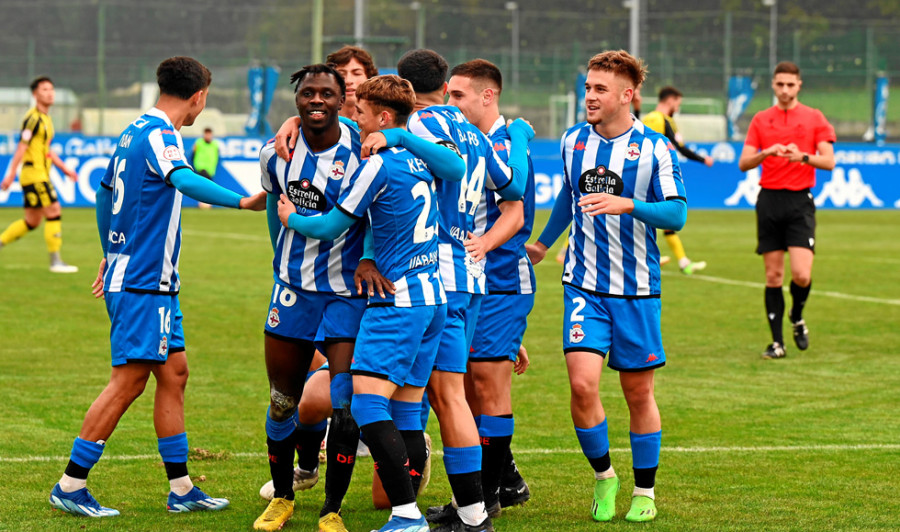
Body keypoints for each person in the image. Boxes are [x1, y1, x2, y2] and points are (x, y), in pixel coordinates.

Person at [48, 56, 266, 518]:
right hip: (145, 282)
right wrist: (242, 200)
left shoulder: (131, 131)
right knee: (128, 382)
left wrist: (110, 252)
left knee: (175, 373)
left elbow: (105, 192)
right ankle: (70, 484)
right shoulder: (161, 134)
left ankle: (182, 488)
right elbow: (183, 179)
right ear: (199, 96)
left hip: (151, 280)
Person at [255, 63, 465, 532]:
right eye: (308, 93)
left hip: (349, 293)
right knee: (284, 400)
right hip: (292, 289)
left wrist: (366, 254)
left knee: (348, 401)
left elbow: (366, 217)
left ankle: (331, 509)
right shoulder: (277, 150)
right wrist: (280, 257)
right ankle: (284, 496)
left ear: (346, 104)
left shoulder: (364, 145)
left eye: (330, 94)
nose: (318, 101)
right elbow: (274, 202)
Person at [526, 50, 686, 523]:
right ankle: (604, 477)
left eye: (599, 89)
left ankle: (645, 490)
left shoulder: (656, 148)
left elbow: (676, 214)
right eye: (588, 87)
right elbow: (568, 195)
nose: (589, 96)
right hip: (583, 286)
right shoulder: (573, 140)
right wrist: (542, 243)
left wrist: (628, 204)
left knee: (638, 394)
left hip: (637, 289)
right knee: (581, 384)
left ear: (626, 95)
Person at [391, 48, 533, 532]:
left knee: (417, 395)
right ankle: (476, 507)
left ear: (406, 91)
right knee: (449, 395)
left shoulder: (420, 127)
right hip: (473, 280)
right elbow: (511, 184)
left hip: (434, 278)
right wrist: (514, 137)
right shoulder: (473, 133)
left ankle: (415, 512)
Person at [440, 58, 534, 518]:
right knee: (468, 389)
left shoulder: (505, 143)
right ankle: (490, 489)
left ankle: (487, 500)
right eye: (448, 94)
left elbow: (513, 211)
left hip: (500, 280)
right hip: (472, 284)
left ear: (487, 96)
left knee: (484, 384)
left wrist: (481, 245)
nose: (450, 102)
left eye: (458, 95)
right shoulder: (464, 139)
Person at [738, 61, 835, 359]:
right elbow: (744, 162)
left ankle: (796, 314)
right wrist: (764, 153)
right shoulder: (761, 120)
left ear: (799, 85)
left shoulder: (814, 117)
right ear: (773, 85)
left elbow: (829, 161)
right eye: (780, 84)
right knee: (773, 277)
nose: (784, 90)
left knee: (802, 275)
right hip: (769, 200)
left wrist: (803, 156)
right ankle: (777, 343)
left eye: (790, 85)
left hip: (799, 202)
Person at [1, 76, 79, 273]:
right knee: (54, 210)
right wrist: (10, 174)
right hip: (34, 175)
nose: (50, 93)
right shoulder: (33, 118)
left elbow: (47, 150)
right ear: (35, 94)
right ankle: (56, 262)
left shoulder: (46, 119)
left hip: (39, 174)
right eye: (45, 89)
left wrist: (65, 169)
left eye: (52, 89)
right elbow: (21, 146)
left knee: (32, 221)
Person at [642, 85, 713, 275]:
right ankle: (647, 256)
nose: (677, 108)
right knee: (666, 216)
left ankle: (682, 262)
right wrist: (703, 159)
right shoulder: (663, 120)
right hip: (654, 176)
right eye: (677, 103)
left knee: (662, 220)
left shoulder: (648, 118)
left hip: (642, 174)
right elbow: (679, 148)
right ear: (670, 100)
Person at [327, 45, 379, 122]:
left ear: (369, 78)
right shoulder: (317, 123)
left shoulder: (383, 123)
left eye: (357, 73)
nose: (348, 81)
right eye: (341, 74)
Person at [190, 127, 220, 209]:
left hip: (211, 168)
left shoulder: (215, 144)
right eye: (206, 134)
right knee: (205, 183)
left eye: (209, 134)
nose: (208, 136)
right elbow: (193, 154)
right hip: (201, 166)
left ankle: (205, 202)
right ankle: (204, 203)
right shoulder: (199, 142)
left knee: (207, 185)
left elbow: (216, 155)